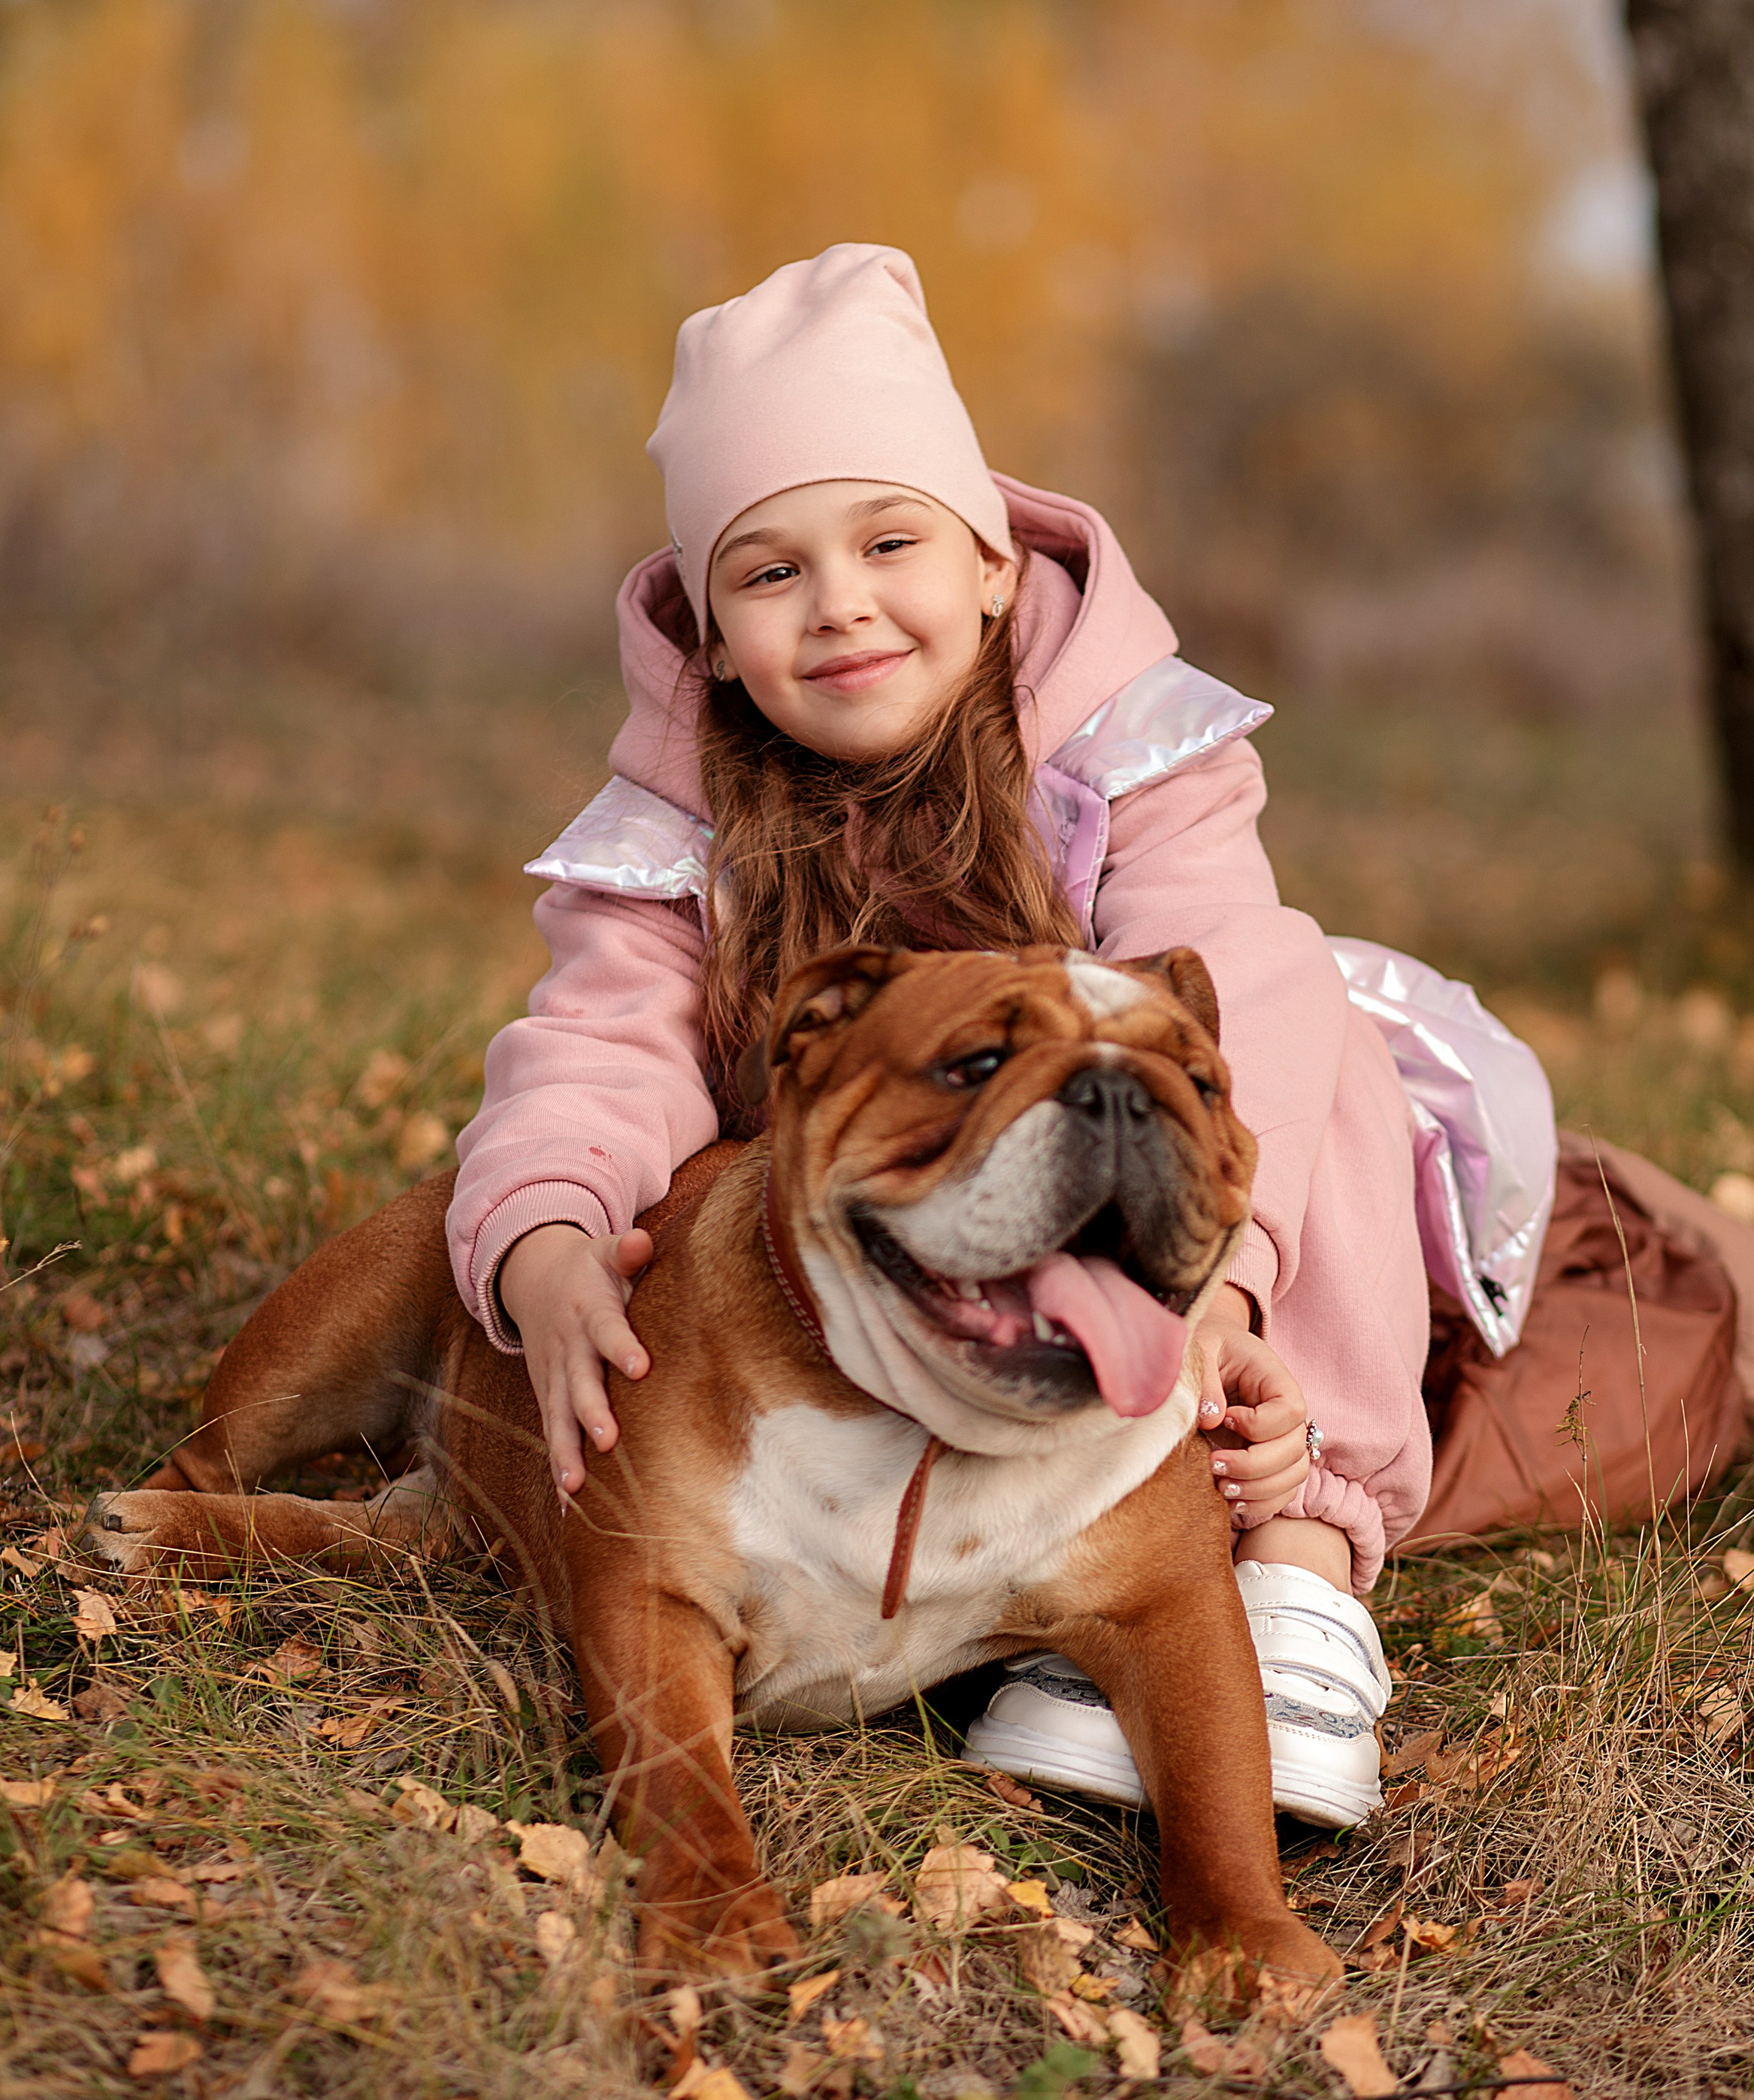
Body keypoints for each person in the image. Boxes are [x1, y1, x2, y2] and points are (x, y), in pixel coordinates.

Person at [448, 240, 1430, 1830]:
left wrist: (1228, 1286)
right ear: (706, 634)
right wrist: (544, 1242)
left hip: (1175, 1188)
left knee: (1289, 1000)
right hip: (908, 1239)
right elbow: (599, 1048)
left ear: (987, 558)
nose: (839, 605)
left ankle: (1296, 1551)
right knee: (626, 1182)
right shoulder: (677, 825)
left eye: (887, 540)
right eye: (767, 573)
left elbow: (1225, 974)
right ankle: (995, 1544)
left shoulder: (1117, 749)